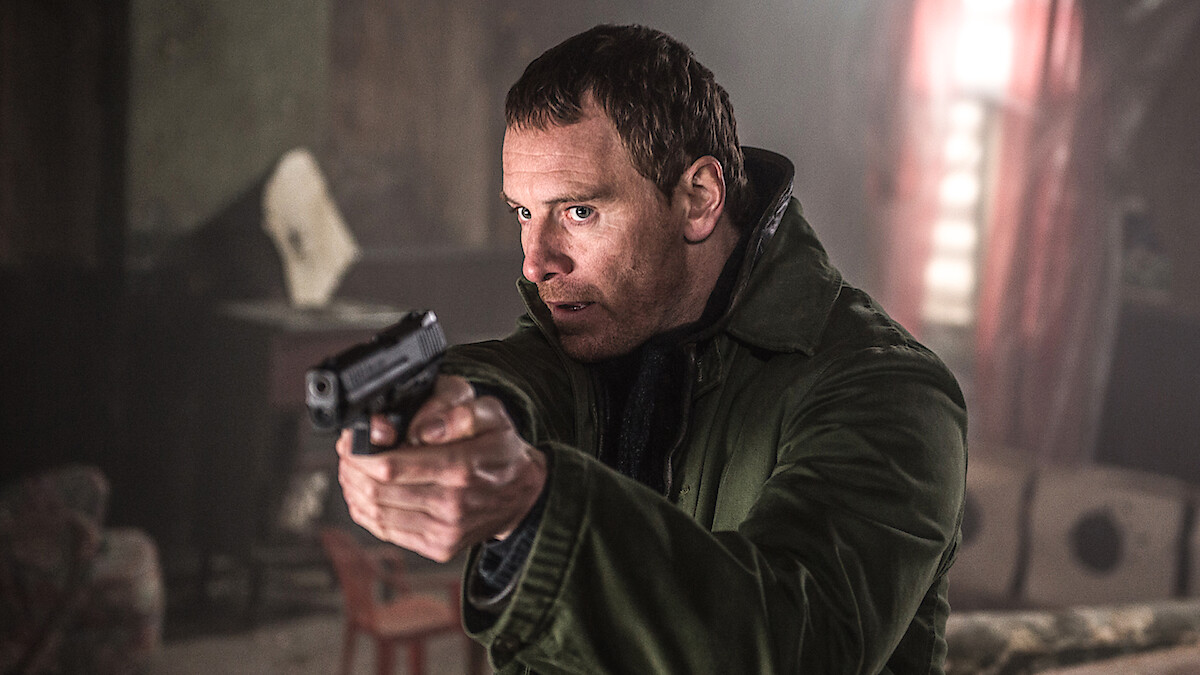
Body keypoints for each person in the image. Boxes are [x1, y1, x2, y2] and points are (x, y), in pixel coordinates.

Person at [336, 24, 967, 674]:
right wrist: (450, 412)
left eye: (579, 211)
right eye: (524, 212)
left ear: (698, 200)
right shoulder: (608, 322)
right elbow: (520, 374)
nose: (535, 261)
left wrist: (535, 506)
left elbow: (793, 645)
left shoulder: (892, 391)